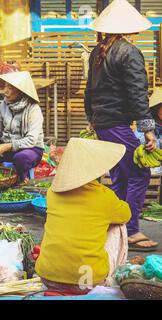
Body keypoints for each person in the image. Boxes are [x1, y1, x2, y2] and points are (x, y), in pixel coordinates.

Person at [84, 0, 158, 251]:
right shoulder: (129, 52)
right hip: (116, 124)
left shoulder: (98, 50)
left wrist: (92, 119)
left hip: (105, 124)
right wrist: (148, 129)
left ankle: (116, 226)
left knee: (120, 176)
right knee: (139, 173)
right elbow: (138, 94)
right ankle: (131, 229)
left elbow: (89, 92)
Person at [35, 138, 131, 295]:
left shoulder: (52, 192)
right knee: (119, 225)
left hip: (47, 276)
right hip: (87, 281)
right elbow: (126, 215)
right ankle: (100, 282)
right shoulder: (104, 196)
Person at [0, 71, 44, 183]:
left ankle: (21, 179)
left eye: (10, 88)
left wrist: (8, 146)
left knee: (20, 158)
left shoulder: (33, 109)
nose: (5, 91)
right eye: (5, 86)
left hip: (30, 149)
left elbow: (31, 140)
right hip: (5, 147)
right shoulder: (3, 105)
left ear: (21, 91)